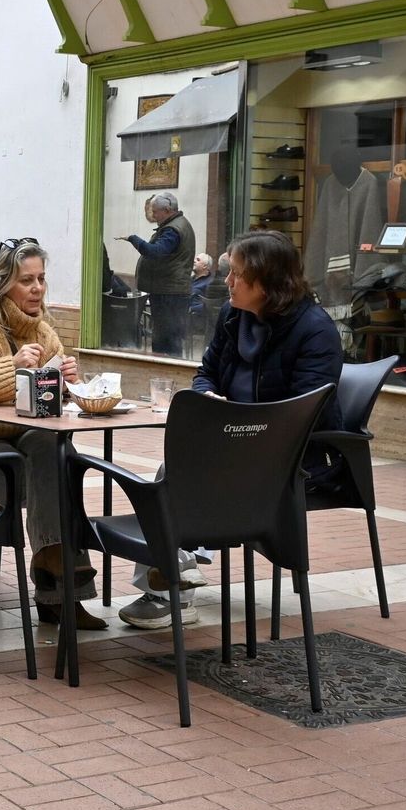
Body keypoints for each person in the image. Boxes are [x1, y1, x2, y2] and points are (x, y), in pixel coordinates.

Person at [118, 230, 344, 630]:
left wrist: (239, 424)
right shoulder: (232, 315)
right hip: (228, 438)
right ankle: (174, 575)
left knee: (176, 476)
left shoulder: (314, 330)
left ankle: (169, 584)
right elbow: (205, 374)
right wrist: (210, 401)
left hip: (288, 454)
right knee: (175, 470)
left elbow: (304, 412)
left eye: (237, 274)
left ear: (268, 281)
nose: (227, 282)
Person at [0, 239, 100, 629]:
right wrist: (11, 367)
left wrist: (67, 385)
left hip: (25, 450)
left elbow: (48, 409)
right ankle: (58, 586)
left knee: (56, 453)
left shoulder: (44, 332)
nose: (37, 289)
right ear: (1, 284)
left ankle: (54, 578)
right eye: (26, 280)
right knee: (61, 479)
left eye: (41, 279)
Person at [119, 192, 196, 357]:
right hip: (169, 290)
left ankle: (167, 373)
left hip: (169, 293)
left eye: (155, 212)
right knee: (167, 337)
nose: (153, 216)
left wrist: (134, 239)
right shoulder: (177, 224)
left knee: (166, 339)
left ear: (167, 210)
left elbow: (155, 252)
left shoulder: (172, 229)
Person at [188, 253, 214, 317]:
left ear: (205, 266)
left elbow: (212, 305)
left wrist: (191, 308)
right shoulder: (189, 279)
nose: (194, 261)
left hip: (198, 320)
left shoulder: (210, 283)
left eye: (198, 260)